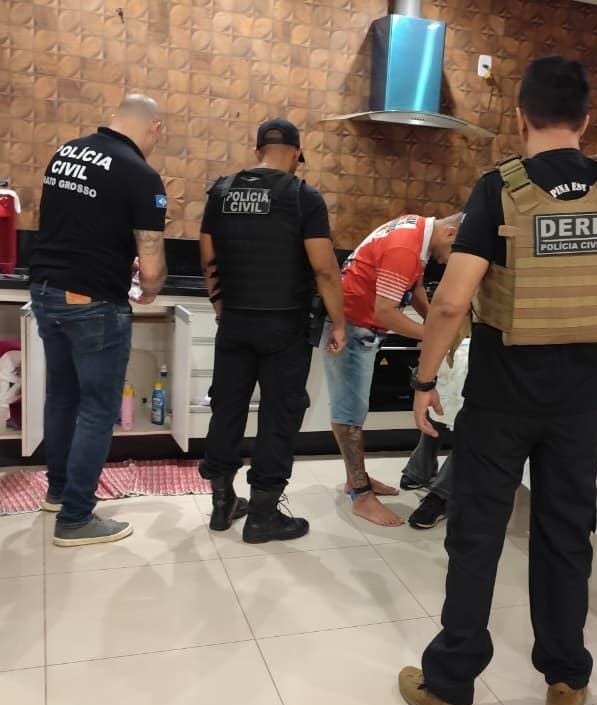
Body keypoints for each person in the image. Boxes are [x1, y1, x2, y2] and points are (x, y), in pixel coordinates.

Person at [398, 56, 597, 705]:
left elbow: (451, 302)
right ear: (585, 121)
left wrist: (425, 380)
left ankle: (452, 687)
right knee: (565, 536)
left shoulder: (499, 191)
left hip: (500, 398)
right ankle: (566, 679)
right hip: (579, 402)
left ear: (519, 118)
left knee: (477, 537)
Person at [198, 119, 346, 543]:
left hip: (235, 322)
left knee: (227, 408)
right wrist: (339, 321)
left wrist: (222, 307)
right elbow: (324, 268)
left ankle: (222, 504)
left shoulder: (221, 191)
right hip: (284, 326)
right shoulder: (303, 196)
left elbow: (207, 256)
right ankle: (263, 515)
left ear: (258, 148)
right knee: (279, 415)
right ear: (297, 152)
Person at [30, 94, 168, 547]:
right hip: (92, 302)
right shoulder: (141, 174)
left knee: (62, 395)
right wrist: (150, 288)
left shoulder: (67, 152)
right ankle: (75, 518)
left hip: (46, 290)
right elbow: (152, 267)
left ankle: (57, 492)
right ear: (154, 127)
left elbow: (79, 228)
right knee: (97, 408)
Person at [323, 213, 461, 527]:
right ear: (450, 233)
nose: (452, 261)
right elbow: (385, 311)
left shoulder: (416, 229)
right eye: (456, 252)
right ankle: (361, 496)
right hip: (352, 328)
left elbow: (415, 287)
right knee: (350, 416)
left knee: (352, 410)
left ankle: (357, 480)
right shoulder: (406, 247)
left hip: (358, 324)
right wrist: (432, 336)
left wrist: (436, 324)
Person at [400, 325, 470, 529]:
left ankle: (429, 481)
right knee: (448, 409)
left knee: (456, 413)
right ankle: (435, 486)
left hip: (461, 344)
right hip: (464, 343)